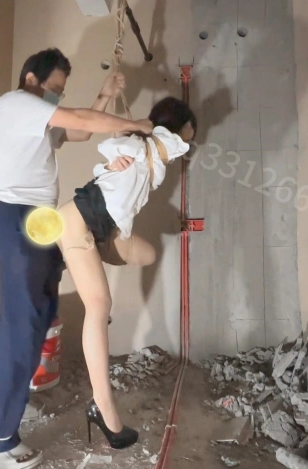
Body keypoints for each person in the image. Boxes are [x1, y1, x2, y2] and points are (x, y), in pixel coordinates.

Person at [0, 48, 153, 469]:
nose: (57, 96)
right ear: (31, 80)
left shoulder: (36, 118)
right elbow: (81, 121)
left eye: (61, 92)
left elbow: (77, 132)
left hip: (39, 219)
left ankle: (5, 420)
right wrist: (134, 125)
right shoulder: (15, 103)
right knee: (21, 322)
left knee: (39, 315)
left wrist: (104, 96)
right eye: (54, 88)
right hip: (17, 215)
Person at [55, 97, 197, 449]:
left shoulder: (150, 159)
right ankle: (103, 409)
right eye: (187, 135)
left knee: (148, 253)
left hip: (102, 229)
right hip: (76, 223)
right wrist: (123, 146)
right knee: (99, 307)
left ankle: (84, 260)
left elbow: (138, 148)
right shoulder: (141, 146)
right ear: (175, 130)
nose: (185, 146)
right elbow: (113, 143)